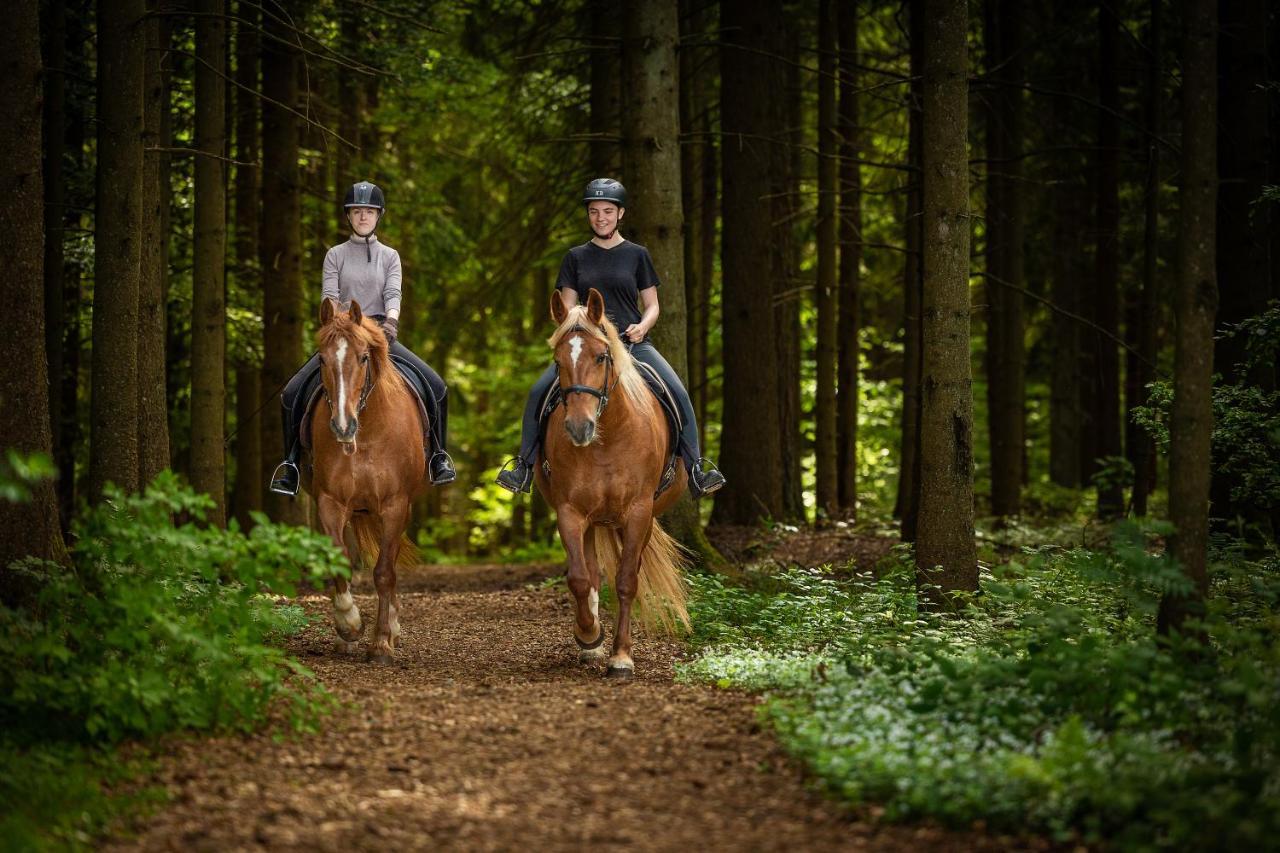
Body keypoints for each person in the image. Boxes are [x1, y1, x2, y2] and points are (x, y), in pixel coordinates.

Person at [495, 178, 725, 498]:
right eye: (593, 211)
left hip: (632, 344)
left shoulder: (637, 255)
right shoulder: (575, 257)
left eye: (607, 211)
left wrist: (643, 327)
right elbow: (568, 306)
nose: (600, 217)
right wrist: (580, 329)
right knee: (538, 392)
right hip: (588, 347)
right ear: (588, 215)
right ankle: (523, 466)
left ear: (621, 214)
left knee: (677, 392)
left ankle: (697, 466)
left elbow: (653, 305)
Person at [269, 181, 456, 495]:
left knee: (436, 386)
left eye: (369, 211)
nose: (363, 217)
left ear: (378, 216)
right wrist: (340, 327)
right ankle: (290, 465)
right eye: (357, 211)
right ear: (349, 216)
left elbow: (393, 292)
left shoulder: (390, 256)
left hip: (381, 335)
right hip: (343, 336)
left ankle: (438, 456)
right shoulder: (335, 255)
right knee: (291, 393)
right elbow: (329, 297)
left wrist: (392, 321)